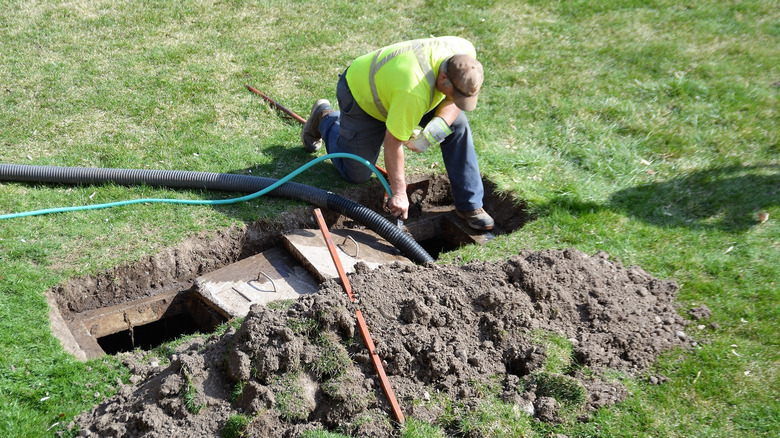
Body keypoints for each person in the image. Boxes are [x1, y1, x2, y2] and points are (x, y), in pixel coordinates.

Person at [301, 36, 494, 231]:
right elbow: (393, 144)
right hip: (362, 96)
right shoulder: (413, 91)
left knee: (457, 125)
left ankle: (470, 204)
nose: (457, 100)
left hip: (396, 90)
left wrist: (434, 132)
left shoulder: (464, 54)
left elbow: (453, 104)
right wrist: (400, 193)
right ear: (443, 78)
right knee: (356, 173)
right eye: (456, 94)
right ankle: (325, 118)